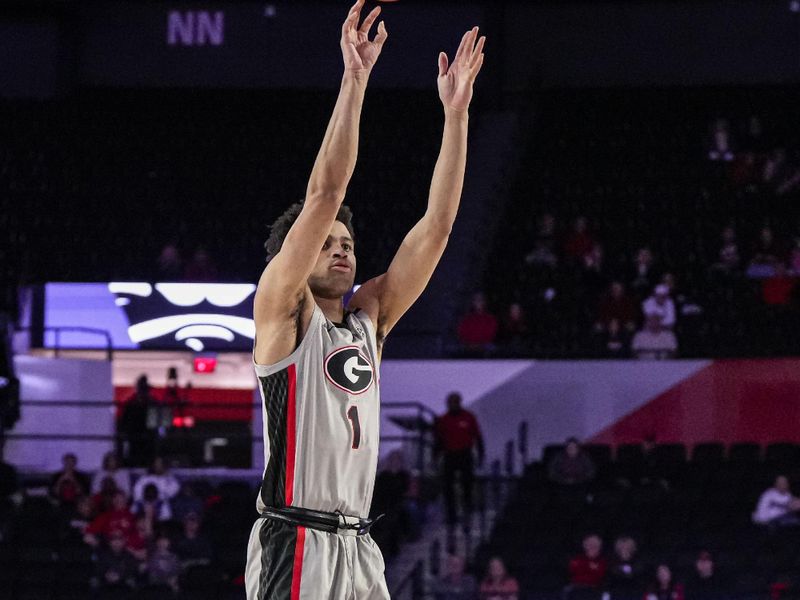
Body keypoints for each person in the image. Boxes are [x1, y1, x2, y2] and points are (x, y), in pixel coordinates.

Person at [244, 2, 486, 598]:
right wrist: (355, 80)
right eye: (326, 243)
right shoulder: (284, 310)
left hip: (358, 544)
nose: (341, 250)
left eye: (348, 243)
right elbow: (325, 192)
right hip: (294, 537)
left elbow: (437, 228)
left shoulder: (369, 320)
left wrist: (455, 117)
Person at [434, 392, 485, 528]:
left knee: (467, 485)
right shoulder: (443, 419)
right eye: (451, 402)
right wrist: (435, 457)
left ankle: (467, 514)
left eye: (455, 402)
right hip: (450, 455)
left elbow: (478, 437)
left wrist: (481, 455)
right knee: (448, 486)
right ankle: (451, 515)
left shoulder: (469, 417)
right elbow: (438, 440)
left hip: (465, 455)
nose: (453, 404)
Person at [118, 375, 158, 467]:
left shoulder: (152, 403)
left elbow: (156, 423)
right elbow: (125, 422)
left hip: (148, 439)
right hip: (135, 438)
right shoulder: (131, 404)